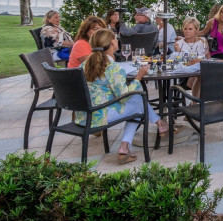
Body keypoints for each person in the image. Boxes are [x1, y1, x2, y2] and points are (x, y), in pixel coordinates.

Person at [81, 29, 168, 163]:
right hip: (99, 116)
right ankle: (129, 143)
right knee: (140, 103)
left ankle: (155, 126)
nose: (117, 40)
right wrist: (139, 77)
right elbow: (124, 95)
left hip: (83, 115)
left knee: (137, 97)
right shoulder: (112, 67)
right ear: (112, 44)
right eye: (115, 39)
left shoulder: (84, 65)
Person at [174, 17, 210, 96]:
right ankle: (195, 102)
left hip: (202, 69)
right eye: (185, 29)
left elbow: (208, 58)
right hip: (186, 74)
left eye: (190, 29)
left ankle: (195, 102)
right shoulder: (178, 44)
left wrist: (199, 60)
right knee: (198, 76)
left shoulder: (203, 41)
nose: (187, 31)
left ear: (196, 30)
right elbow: (179, 62)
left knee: (200, 75)